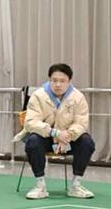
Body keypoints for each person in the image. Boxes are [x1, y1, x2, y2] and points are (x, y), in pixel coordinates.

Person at [19, 63, 95, 200]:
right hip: (46, 137)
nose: (58, 84)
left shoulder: (78, 97)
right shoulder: (38, 96)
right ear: (49, 80)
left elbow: (81, 123)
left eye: (62, 81)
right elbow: (30, 122)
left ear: (69, 81)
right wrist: (55, 133)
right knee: (32, 141)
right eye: (54, 80)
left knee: (87, 142)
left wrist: (67, 135)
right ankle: (40, 186)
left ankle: (76, 185)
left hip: (68, 139)